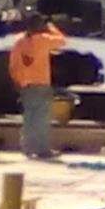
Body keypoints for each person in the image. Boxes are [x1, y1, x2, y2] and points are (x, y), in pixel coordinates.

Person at [9, 12, 66, 158]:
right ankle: (42, 149)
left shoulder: (19, 41)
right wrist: (51, 27)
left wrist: (16, 81)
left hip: (25, 84)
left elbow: (13, 65)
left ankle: (27, 148)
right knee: (42, 118)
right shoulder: (43, 39)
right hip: (41, 83)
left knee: (29, 117)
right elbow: (62, 41)